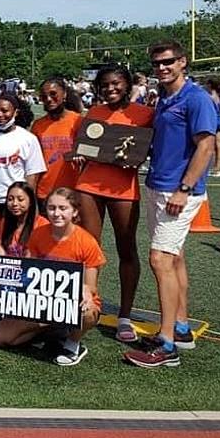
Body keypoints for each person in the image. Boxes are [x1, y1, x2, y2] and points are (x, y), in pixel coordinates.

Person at [124, 40, 217, 368]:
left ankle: (166, 345)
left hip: (179, 191)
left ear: (183, 62)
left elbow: (205, 147)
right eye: (157, 63)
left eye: (167, 62)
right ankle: (180, 327)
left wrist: (185, 188)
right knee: (174, 258)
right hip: (158, 185)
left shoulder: (196, 98)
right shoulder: (163, 97)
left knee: (159, 260)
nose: (162, 68)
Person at [74, 65, 154, 344]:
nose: (110, 89)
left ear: (128, 84)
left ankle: (124, 316)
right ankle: (87, 304)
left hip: (123, 188)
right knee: (87, 249)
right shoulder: (93, 113)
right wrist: (79, 156)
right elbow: (84, 148)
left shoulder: (144, 114)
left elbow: (146, 149)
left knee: (126, 248)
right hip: (89, 186)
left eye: (116, 83)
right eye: (105, 85)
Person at [0, 187, 106, 366]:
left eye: (63, 208)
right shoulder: (38, 234)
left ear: (74, 211)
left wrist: (85, 290)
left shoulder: (87, 242)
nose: (56, 213)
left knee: (88, 311)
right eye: (52, 208)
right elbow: (27, 271)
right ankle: (53, 328)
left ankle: (73, 344)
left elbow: (91, 287)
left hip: (72, 302)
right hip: (42, 302)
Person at [0, 92, 46, 250]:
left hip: (15, 202)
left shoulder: (28, 138)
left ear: (15, 112)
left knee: (17, 245)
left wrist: (27, 201)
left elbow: (33, 174)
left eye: (5, 111)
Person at [31, 77, 83, 212]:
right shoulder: (38, 125)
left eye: (53, 94)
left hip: (73, 190)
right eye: (44, 96)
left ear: (64, 94)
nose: (48, 99)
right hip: (44, 191)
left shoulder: (78, 121)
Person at [0, 181, 47, 257]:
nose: (14, 203)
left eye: (20, 199)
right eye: (10, 199)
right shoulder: (5, 222)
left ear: (30, 202)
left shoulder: (42, 224)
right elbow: (0, 249)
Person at [204, 76, 220, 177]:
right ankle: (217, 169)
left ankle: (207, 167)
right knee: (219, 146)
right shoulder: (219, 95)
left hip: (212, 121)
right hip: (219, 121)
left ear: (210, 85)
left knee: (210, 146)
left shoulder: (209, 96)